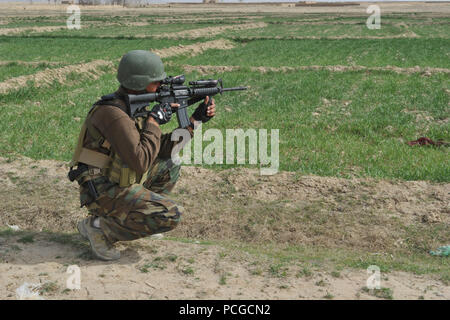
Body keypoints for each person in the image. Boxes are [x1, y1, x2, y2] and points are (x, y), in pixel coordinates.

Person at [69, 50, 216, 261]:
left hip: (118, 178)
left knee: (170, 162)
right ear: (139, 83)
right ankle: (101, 227)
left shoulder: (132, 108)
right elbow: (140, 162)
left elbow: (162, 149)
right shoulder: (113, 114)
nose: (160, 85)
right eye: (156, 82)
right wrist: (154, 122)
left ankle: (137, 217)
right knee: (171, 214)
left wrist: (194, 121)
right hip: (101, 188)